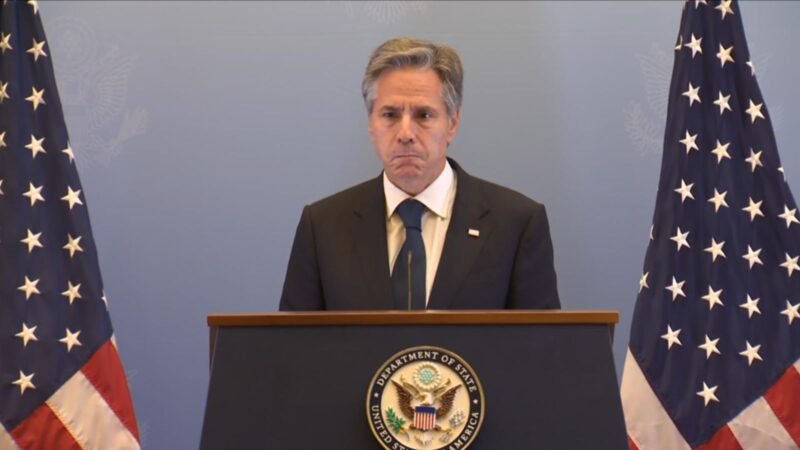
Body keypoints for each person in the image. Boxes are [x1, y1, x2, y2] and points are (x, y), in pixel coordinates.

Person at [279, 37, 559, 311]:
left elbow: (540, 340)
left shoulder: (516, 224)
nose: (405, 134)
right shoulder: (323, 227)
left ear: (452, 123)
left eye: (423, 115)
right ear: (371, 124)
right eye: (389, 115)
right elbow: (293, 340)